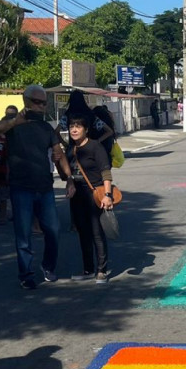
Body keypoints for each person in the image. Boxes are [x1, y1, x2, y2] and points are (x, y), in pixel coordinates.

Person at [0, 85, 76, 290]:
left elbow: (59, 153)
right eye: (38, 102)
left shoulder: (46, 128)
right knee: (23, 235)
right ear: (27, 101)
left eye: (44, 102)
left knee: (54, 230)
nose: (42, 106)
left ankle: (48, 266)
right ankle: (26, 274)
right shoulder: (12, 125)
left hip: (44, 186)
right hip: (21, 187)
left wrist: (69, 178)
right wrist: (15, 121)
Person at [66, 114, 115, 283]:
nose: (74, 129)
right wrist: (69, 184)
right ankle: (88, 269)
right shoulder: (71, 149)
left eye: (78, 126)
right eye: (72, 126)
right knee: (83, 234)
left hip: (95, 194)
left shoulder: (95, 147)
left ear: (86, 130)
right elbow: (70, 173)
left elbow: (105, 172)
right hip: (77, 197)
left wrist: (108, 195)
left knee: (96, 233)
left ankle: (101, 270)